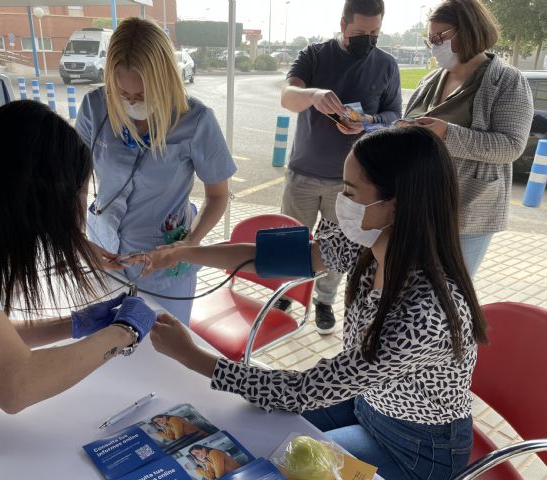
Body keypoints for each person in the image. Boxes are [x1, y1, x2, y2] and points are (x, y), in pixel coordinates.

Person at [143, 127, 488, 480]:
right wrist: (185, 253)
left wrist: (192, 356)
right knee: (246, 425)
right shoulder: (368, 242)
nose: (341, 201)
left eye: (350, 192)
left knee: (281, 463)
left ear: (395, 205)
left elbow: (303, 390)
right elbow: (276, 256)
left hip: (415, 446)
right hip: (366, 403)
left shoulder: (424, 313)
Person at [0, 100, 158, 414]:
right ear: (43, 196)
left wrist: (74, 325)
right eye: (81, 193)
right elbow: (14, 385)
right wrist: (125, 332)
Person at [75, 18, 236, 324]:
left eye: (143, 95)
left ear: (165, 82)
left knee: (165, 350)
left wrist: (186, 245)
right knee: (104, 348)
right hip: (105, 255)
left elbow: (217, 196)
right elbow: (75, 184)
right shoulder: (95, 108)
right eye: (123, 95)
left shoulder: (196, 121)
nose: (132, 103)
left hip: (165, 265)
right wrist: (78, 240)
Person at [278, 0, 402, 334]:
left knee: (339, 248)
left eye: (375, 32)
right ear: (343, 24)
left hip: (351, 186)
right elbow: (288, 96)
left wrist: (368, 122)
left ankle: (323, 301)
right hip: (303, 173)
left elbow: (394, 117)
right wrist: (314, 95)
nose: (369, 38)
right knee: (290, 240)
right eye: (361, 32)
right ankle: (286, 294)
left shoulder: (386, 65)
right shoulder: (315, 55)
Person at [401, 0, 533, 277]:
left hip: (466, 213)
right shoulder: (431, 80)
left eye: (441, 37)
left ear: (469, 31)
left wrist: (446, 133)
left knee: (449, 294)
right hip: (417, 204)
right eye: (431, 39)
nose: (435, 45)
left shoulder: (507, 81)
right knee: (410, 288)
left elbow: (510, 146)